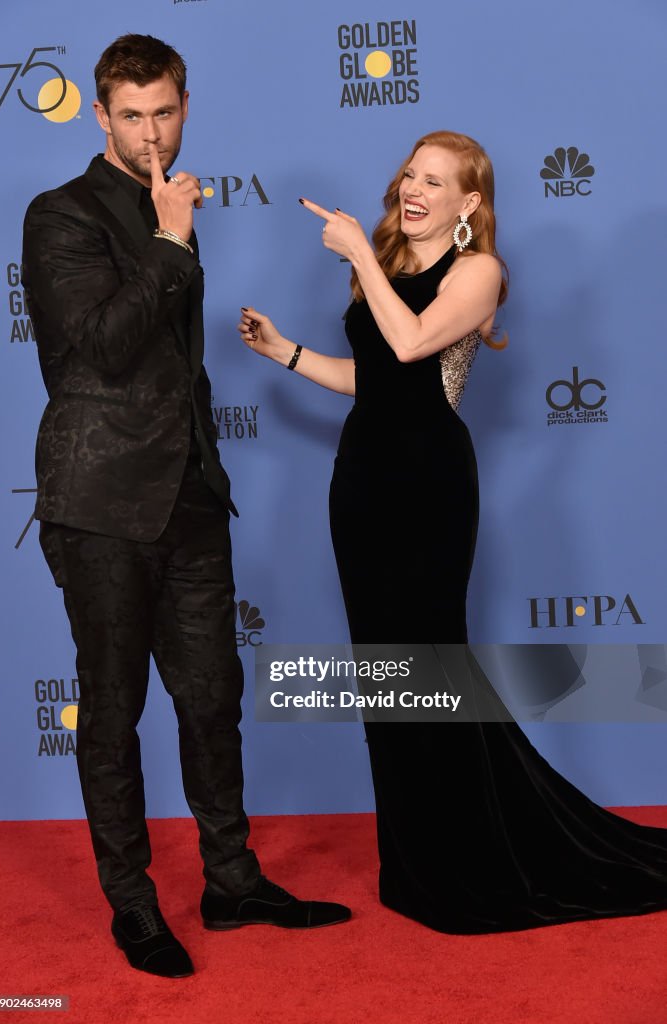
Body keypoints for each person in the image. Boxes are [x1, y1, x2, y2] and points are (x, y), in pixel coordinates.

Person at [238, 130, 667, 933]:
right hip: (361, 482)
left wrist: (358, 256)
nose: (415, 190)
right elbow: (374, 380)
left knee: (428, 668)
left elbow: (411, 345)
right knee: (388, 677)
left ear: (469, 203)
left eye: (435, 181)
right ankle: (415, 860)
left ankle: (466, 858)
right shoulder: (394, 267)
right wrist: (285, 352)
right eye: (408, 174)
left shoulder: (478, 273)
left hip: (426, 487)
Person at [21, 33, 350, 979]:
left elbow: (171, 365)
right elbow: (103, 351)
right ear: (101, 116)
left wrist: (172, 234)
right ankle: (133, 906)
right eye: (131, 115)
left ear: (185, 105)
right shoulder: (60, 214)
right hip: (99, 502)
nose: (150, 131)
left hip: (191, 495)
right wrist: (169, 236)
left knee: (212, 700)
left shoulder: (171, 202)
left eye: (164, 110)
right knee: (115, 709)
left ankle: (232, 882)